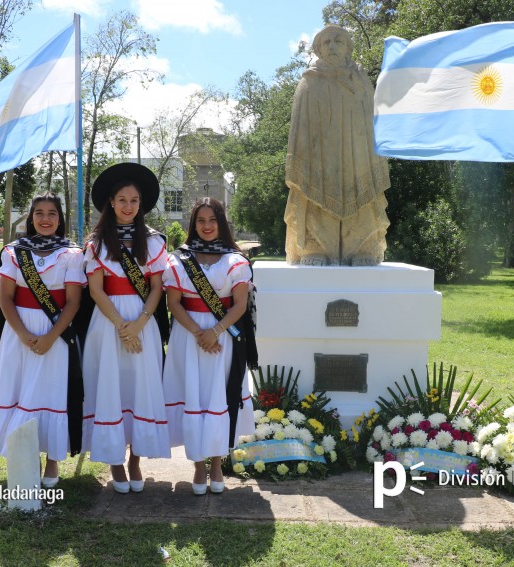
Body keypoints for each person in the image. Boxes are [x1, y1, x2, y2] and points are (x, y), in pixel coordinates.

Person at [0, 193, 85, 488]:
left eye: (52, 213)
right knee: (23, 391)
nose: (46, 219)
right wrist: (23, 334)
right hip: (19, 333)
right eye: (39, 213)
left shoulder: (72, 255)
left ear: (60, 218)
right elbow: (6, 298)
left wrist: (51, 337)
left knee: (51, 393)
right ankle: (27, 456)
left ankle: (52, 459)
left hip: (56, 333)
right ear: (30, 217)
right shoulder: (14, 252)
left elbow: (73, 302)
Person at [81, 162, 171, 494]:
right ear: (111, 203)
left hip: (143, 323)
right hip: (108, 326)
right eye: (122, 200)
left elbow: (157, 288)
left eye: (134, 200)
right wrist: (122, 327)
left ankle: (135, 459)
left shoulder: (154, 242)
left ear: (141, 204)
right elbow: (96, 290)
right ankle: (114, 460)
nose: (128, 206)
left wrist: (139, 324)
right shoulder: (97, 244)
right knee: (111, 387)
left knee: (140, 387)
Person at [162, 197, 258, 495]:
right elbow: (173, 303)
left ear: (221, 223)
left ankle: (216, 464)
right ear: (193, 224)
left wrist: (214, 331)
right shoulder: (178, 259)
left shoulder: (236, 260)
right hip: (189, 339)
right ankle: (198, 467)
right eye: (201, 221)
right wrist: (199, 332)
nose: (206, 226)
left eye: (212, 220)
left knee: (218, 397)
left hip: (223, 338)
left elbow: (240, 305)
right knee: (195, 397)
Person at [284, 24, 391, 266]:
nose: (332, 46)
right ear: (319, 49)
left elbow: (372, 123)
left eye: (338, 41)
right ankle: (314, 247)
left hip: (357, 155)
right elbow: (298, 130)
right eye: (327, 42)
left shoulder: (362, 81)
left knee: (361, 194)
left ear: (348, 48)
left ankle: (363, 247)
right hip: (319, 156)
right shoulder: (308, 82)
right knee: (314, 194)